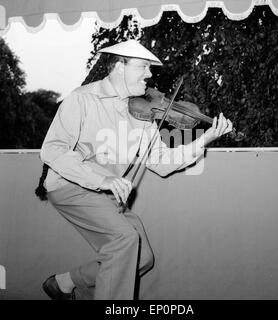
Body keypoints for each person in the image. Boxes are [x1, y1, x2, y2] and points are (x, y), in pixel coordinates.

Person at [38, 39, 232, 300]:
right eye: (143, 67)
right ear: (119, 66)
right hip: (69, 185)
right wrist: (104, 179)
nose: (150, 74)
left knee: (142, 258)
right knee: (125, 240)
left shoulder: (142, 114)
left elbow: (160, 162)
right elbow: (53, 150)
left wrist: (204, 140)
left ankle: (64, 283)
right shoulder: (82, 99)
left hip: (104, 193)